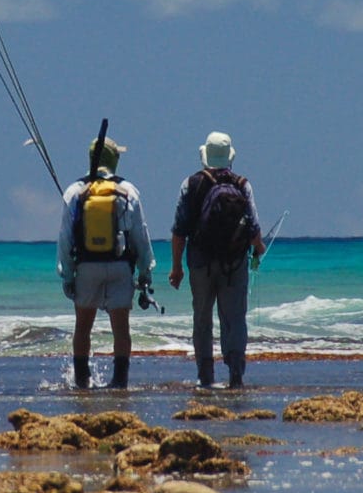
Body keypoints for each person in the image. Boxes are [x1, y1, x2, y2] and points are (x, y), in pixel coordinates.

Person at [168, 131, 267, 388]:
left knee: (202, 318)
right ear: (229, 157)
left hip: (200, 263)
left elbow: (179, 231)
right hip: (234, 264)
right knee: (234, 318)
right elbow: (254, 228)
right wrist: (259, 248)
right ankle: (235, 374)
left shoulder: (190, 184)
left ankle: (205, 375)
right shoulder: (242, 184)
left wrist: (176, 267)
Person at [57, 135, 154, 389]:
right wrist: (145, 272)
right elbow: (140, 236)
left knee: (83, 327)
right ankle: (119, 381)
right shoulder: (128, 191)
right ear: (115, 160)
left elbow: (65, 241)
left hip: (87, 266)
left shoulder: (75, 191)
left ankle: (82, 382)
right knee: (121, 328)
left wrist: (67, 276)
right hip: (120, 266)